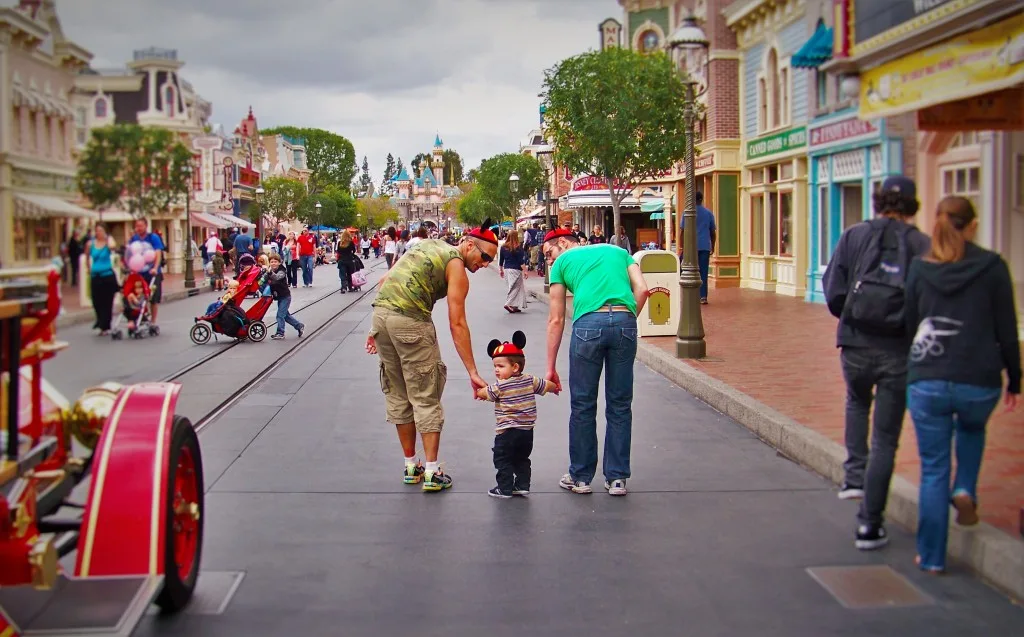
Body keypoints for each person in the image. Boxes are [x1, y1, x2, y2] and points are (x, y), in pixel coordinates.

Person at [903, 196, 1020, 573]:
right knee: (972, 430)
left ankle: (932, 557)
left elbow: (911, 323)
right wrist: (1015, 379)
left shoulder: (921, 268)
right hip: (979, 377)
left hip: (928, 378)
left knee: (934, 467)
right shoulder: (992, 266)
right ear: (972, 225)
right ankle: (966, 487)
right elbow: (1006, 328)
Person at [822, 175, 932, 551]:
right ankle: (869, 525)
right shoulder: (921, 244)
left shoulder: (855, 236)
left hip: (855, 343)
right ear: (913, 205)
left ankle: (854, 477)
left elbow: (834, 289)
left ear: (878, 200)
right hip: (897, 350)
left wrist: (852, 318)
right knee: (886, 437)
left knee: (856, 402)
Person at [365, 220, 499, 492]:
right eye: (485, 257)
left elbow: (385, 280)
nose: (485, 264)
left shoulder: (425, 244)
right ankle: (431, 472)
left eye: (490, 260)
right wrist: (473, 372)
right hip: (411, 323)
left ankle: (410, 465)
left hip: (382, 318)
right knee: (425, 396)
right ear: (469, 245)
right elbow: (457, 322)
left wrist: (374, 330)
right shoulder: (456, 266)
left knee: (399, 394)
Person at [543, 228, 649, 496]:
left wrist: (550, 367)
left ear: (563, 244)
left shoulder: (562, 263)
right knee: (620, 403)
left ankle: (580, 476)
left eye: (549, 253)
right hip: (625, 320)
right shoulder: (620, 252)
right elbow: (644, 290)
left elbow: (556, 319)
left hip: (588, 325)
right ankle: (617, 479)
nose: (549, 260)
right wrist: (625, 320)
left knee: (582, 404)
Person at [476, 331, 558, 498]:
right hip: (527, 432)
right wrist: (554, 387)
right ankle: (522, 485)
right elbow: (546, 385)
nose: (496, 371)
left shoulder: (501, 386)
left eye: (500, 366)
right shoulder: (530, 380)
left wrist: (479, 391)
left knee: (502, 458)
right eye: (495, 366)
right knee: (522, 458)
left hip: (507, 432)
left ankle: (504, 488)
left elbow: (486, 393)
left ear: (515, 367)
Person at [679, 191, 717, 304]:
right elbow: (712, 232)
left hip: (690, 247)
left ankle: (690, 295)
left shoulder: (687, 213)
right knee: (703, 272)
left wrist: (682, 246)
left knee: (687, 271)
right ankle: (703, 296)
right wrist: (712, 246)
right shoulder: (708, 213)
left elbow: (683, 231)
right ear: (701, 199)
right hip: (704, 246)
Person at [128, 218, 165, 325]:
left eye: (140, 226)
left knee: (153, 297)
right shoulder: (134, 239)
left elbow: (158, 253)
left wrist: (155, 267)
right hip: (139, 272)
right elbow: (130, 253)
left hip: (152, 272)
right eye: (137, 226)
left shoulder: (153, 238)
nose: (138, 228)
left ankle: (153, 321)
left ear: (146, 226)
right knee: (138, 296)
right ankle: (141, 316)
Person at [86, 223, 118, 335]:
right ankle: (100, 321)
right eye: (97, 231)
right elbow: (87, 256)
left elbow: (113, 247)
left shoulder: (108, 242)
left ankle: (105, 326)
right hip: (96, 276)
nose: (99, 233)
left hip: (107, 275)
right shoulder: (91, 244)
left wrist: (108, 238)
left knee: (107, 302)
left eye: (101, 230)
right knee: (96, 301)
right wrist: (88, 268)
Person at [268, 254, 305, 341]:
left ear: (279, 262)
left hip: (285, 296)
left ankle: (280, 333)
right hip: (280, 296)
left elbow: (277, 278)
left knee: (280, 315)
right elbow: (264, 279)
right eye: (271, 262)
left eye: (275, 262)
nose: (273, 263)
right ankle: (299, 326)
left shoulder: (282, 271)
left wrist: (269, 272)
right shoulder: (269, 271)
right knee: (286, 316)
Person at [499, 229, 528, 313]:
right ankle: (508, 304)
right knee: (515, 288)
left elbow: (501, 260)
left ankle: (514, 305)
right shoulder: (518, 247)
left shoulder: (503, 247)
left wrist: (501, 270)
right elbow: (521, 261)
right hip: (515, 270)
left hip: (507, 269)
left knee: (512, 287)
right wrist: (525, 271)